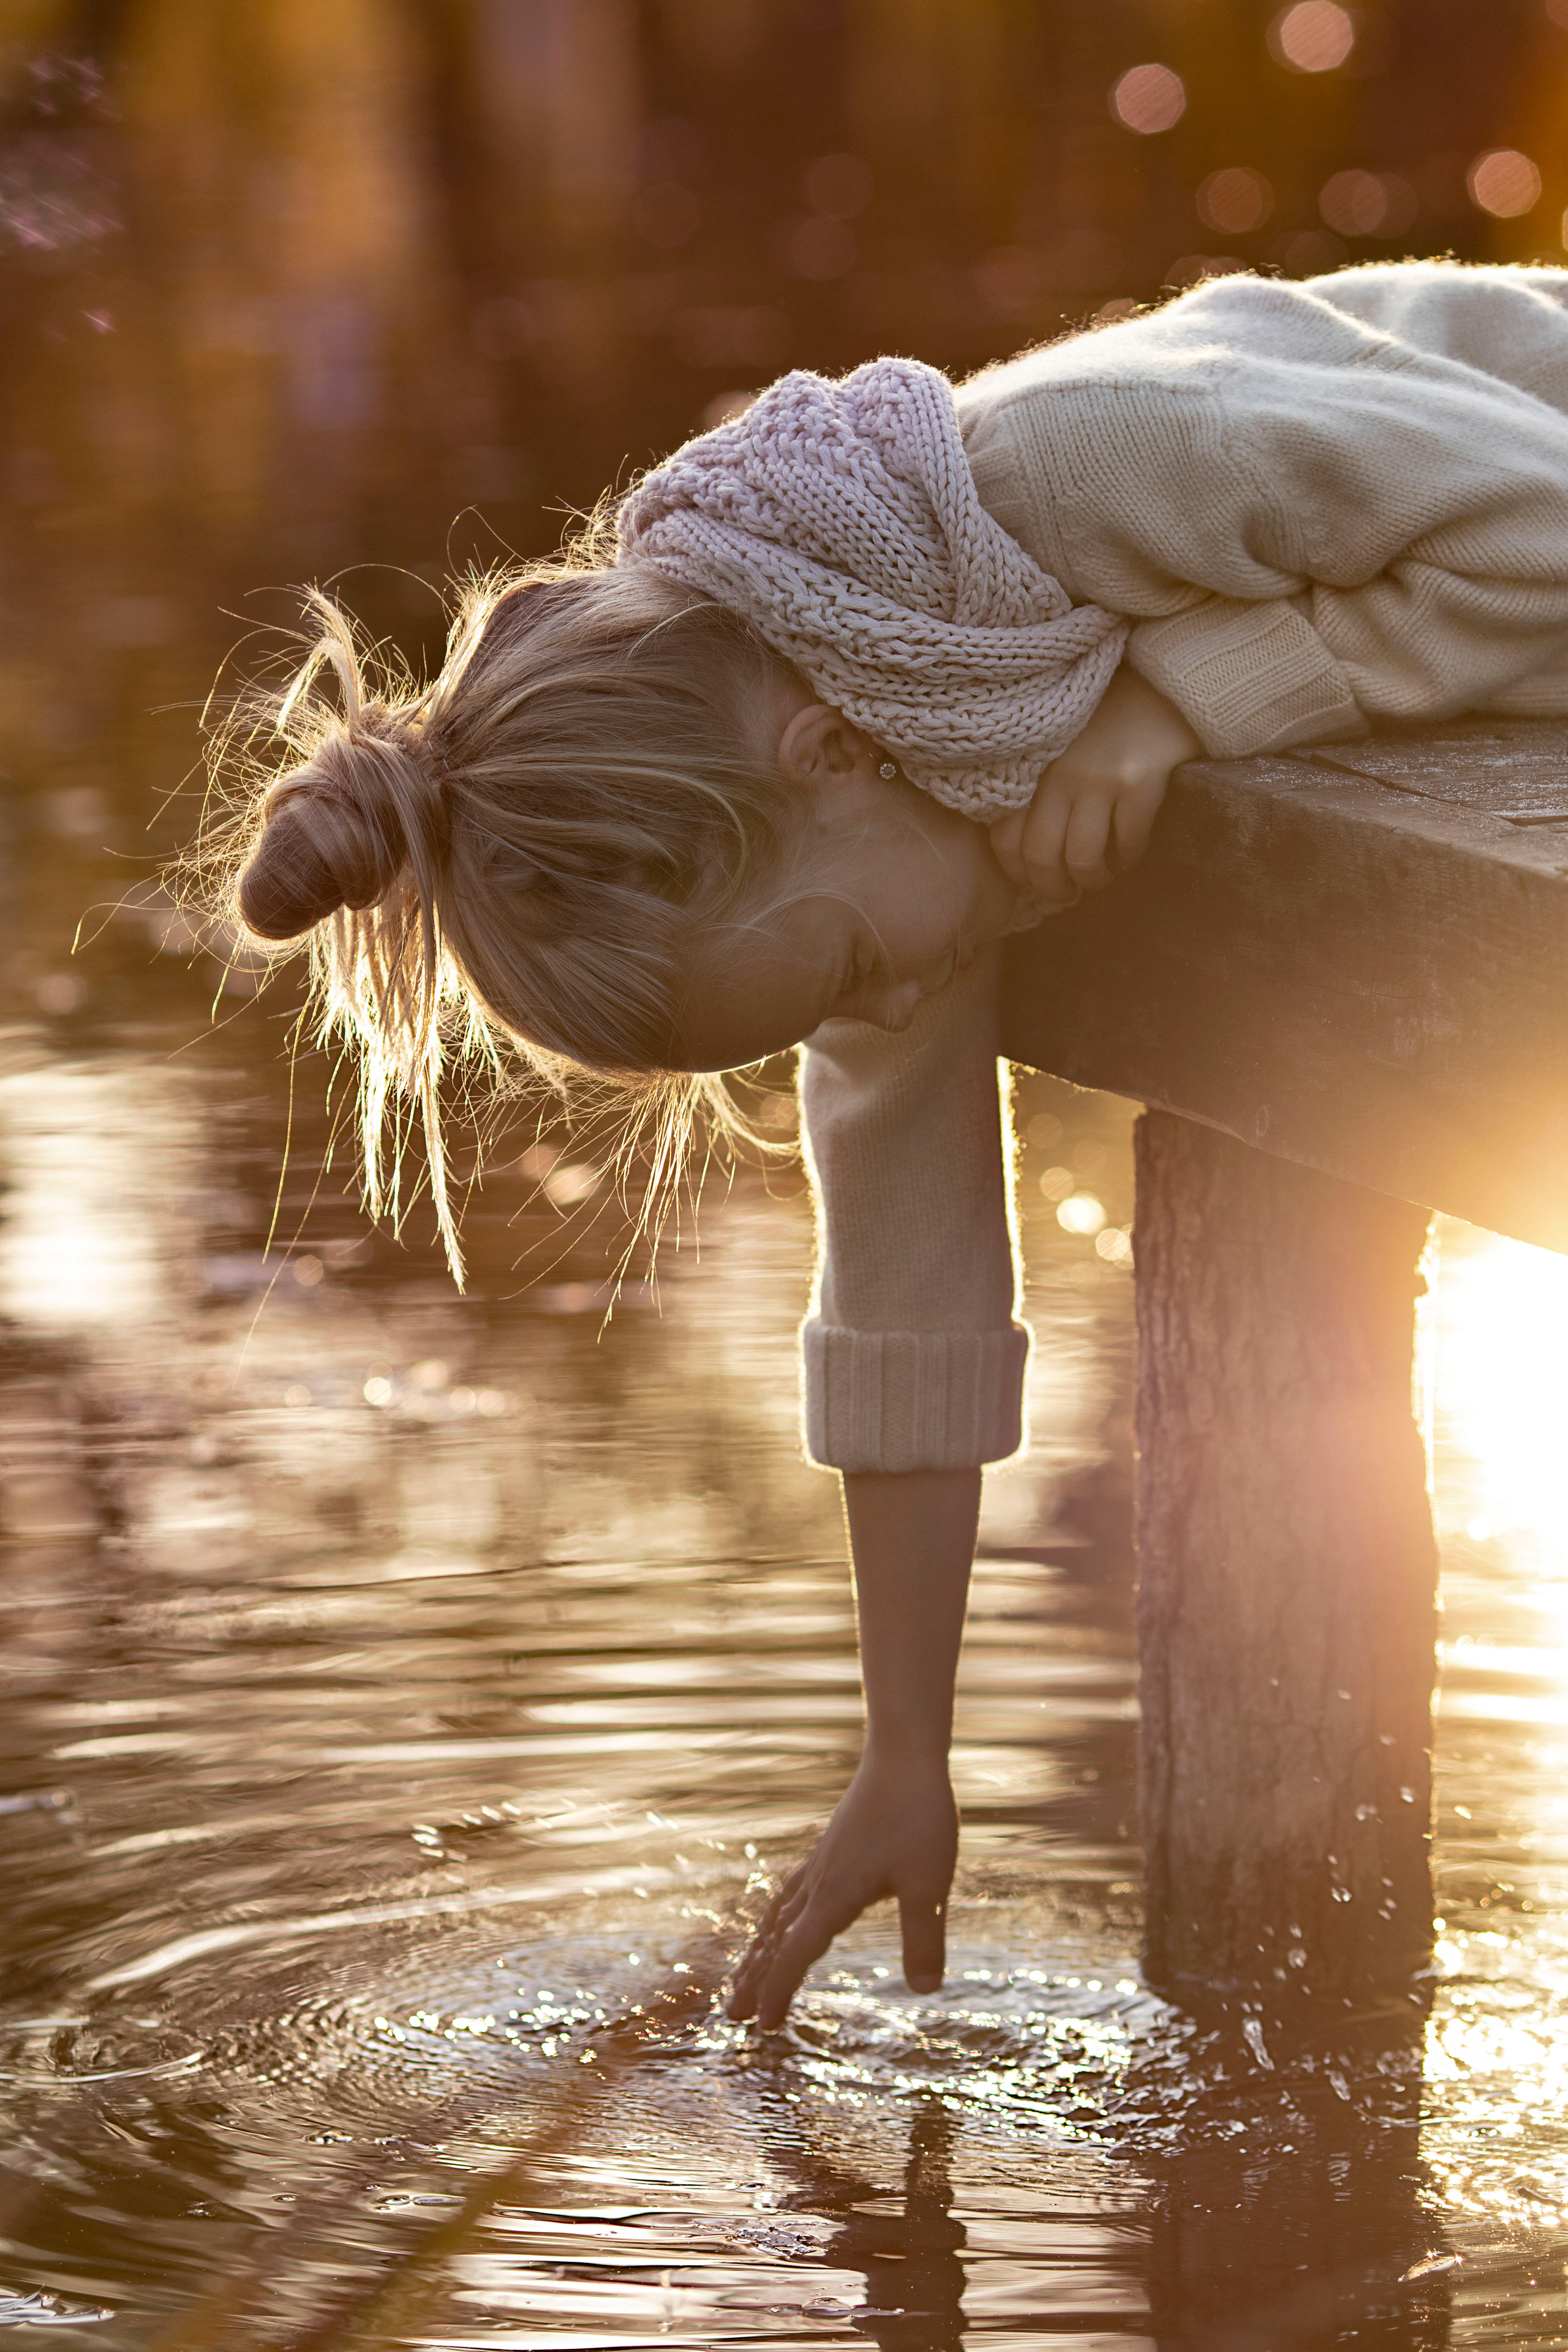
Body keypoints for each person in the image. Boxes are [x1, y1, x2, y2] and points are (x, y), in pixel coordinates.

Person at [223, 258, 1568, 2029]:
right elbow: (902, 1296)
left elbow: (1539, 533)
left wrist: (1185, 703)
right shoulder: (867, 817)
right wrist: (903, 1758)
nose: (890, 999)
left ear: (831, 753)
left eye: (851, 974)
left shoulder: (1081, 466)